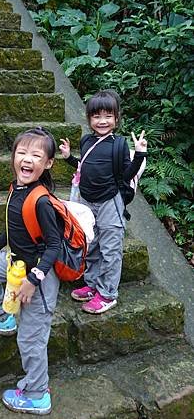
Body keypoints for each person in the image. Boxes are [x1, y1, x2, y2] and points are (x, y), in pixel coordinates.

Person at [0, 127, 63, 415]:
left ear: (47, 163)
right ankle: (1, 318)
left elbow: (54, 245)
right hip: (15, 263)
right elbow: (15, 225)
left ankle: (37, 395)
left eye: (36, 155)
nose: (26, 159)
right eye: (21, 152)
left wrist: (33, 281)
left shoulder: (42, 201)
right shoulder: (17, 189)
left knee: (31, 338)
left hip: (39, 279)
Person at [59, 89, 147, 314]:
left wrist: (139, 155)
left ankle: (108, 294)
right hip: (88, 201)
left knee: (110, 249)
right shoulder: (87, 141)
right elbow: (84, 167)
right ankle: (91, 284)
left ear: (116, 119)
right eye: (97, 116)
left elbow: (127, 175)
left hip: (110, 202)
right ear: (89, 119)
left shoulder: (118, 145)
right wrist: (70, 157)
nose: (102, 121)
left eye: (108, 116)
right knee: (92, 244)